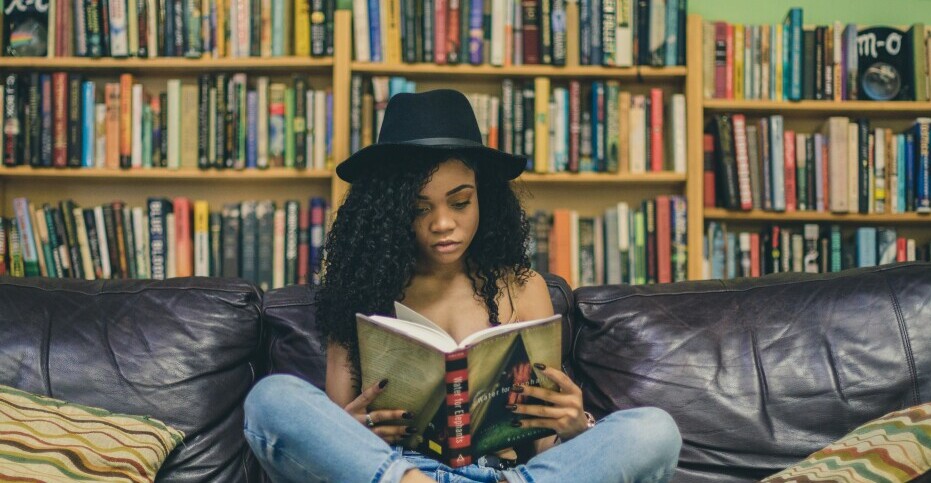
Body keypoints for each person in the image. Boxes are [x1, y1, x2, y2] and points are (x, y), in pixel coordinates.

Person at [243, 89, 682, 483]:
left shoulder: (523, 288)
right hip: (396, 472)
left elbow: (544, 445)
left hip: (512, 476)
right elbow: (339, 445)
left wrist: (573, 425)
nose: (443, 223)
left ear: (484, 198)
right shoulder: (360, 291)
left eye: (460, 201)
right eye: (420, 208)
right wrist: (351, 428)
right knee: (270, 400)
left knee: (653, 430)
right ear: (391, 211)